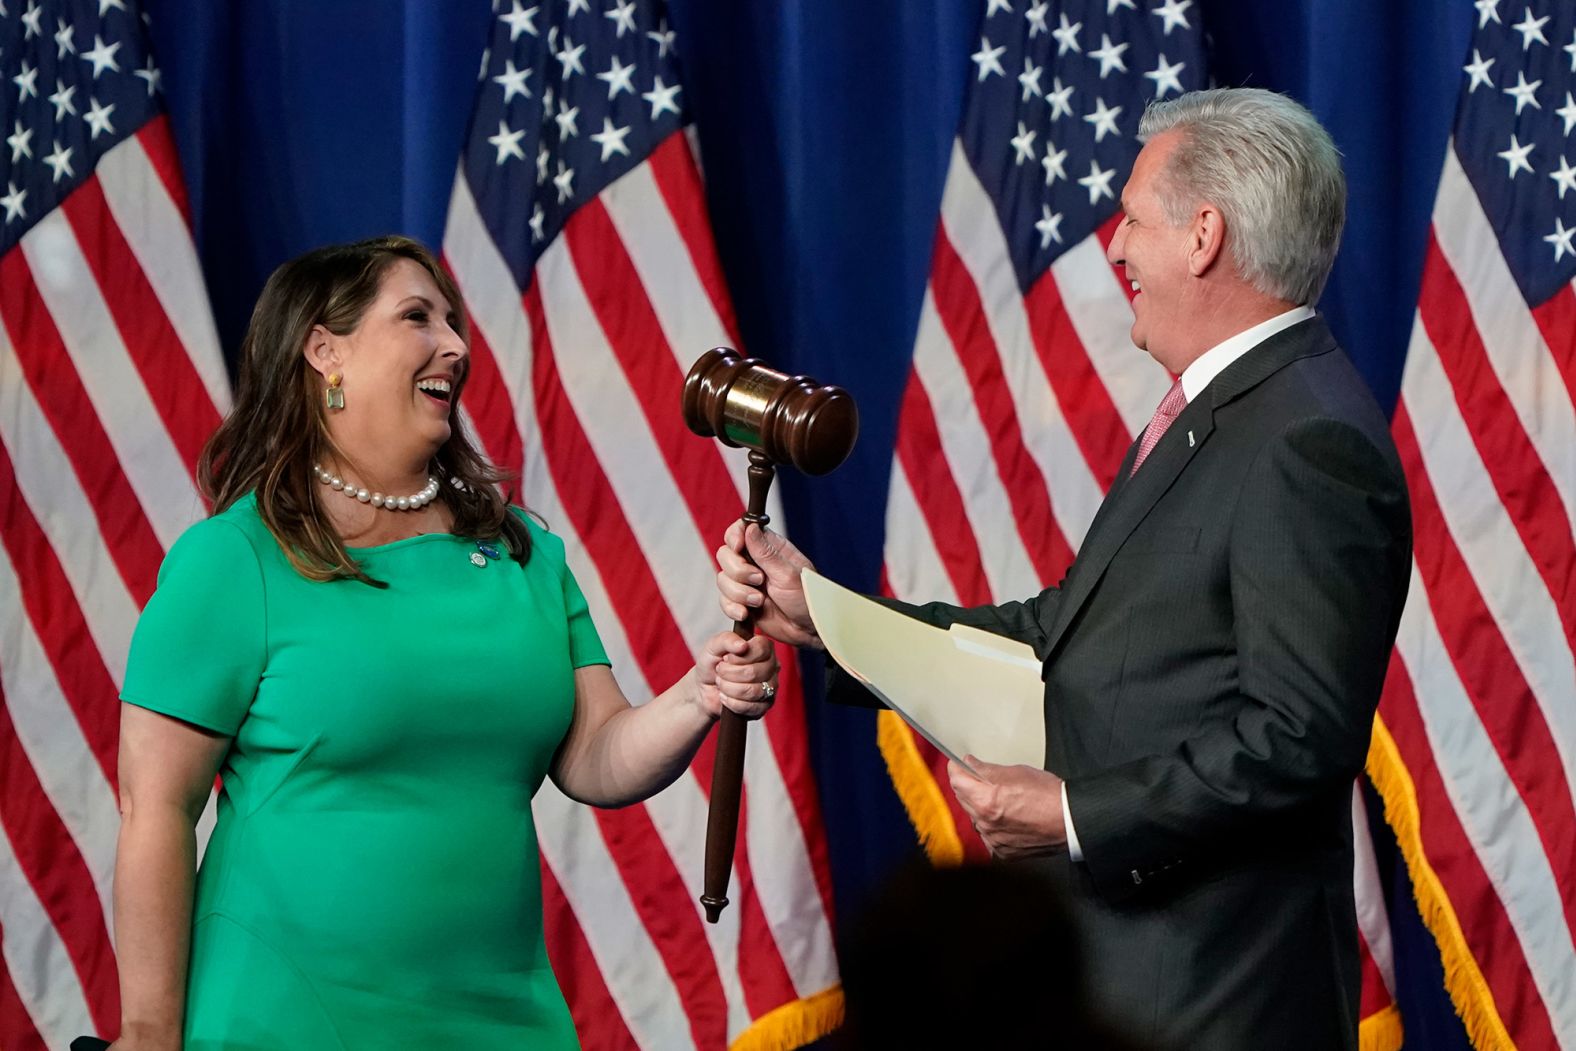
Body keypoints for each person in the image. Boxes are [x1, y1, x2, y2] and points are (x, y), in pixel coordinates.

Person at [716, 88, 1411, 1050]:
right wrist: (823, 616)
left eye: (1131, 219)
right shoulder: (1228, 411)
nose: (1116, 249)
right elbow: (1062, 635)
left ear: (1203, 234)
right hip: (1142, 982)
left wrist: (1076, 812)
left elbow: (1298, 739)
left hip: (1220, 998)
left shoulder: (1306, 436)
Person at [110, 236, 779, 1051]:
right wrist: (147, 1035)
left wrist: (699, 693)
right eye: (418, 316)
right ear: (326, 349)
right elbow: (157, 809)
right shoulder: (233, 560)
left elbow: (598, 755)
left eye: (454, 321)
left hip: (504, 1020)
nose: (456, 345)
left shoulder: (524, 550)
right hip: (285, 1016)